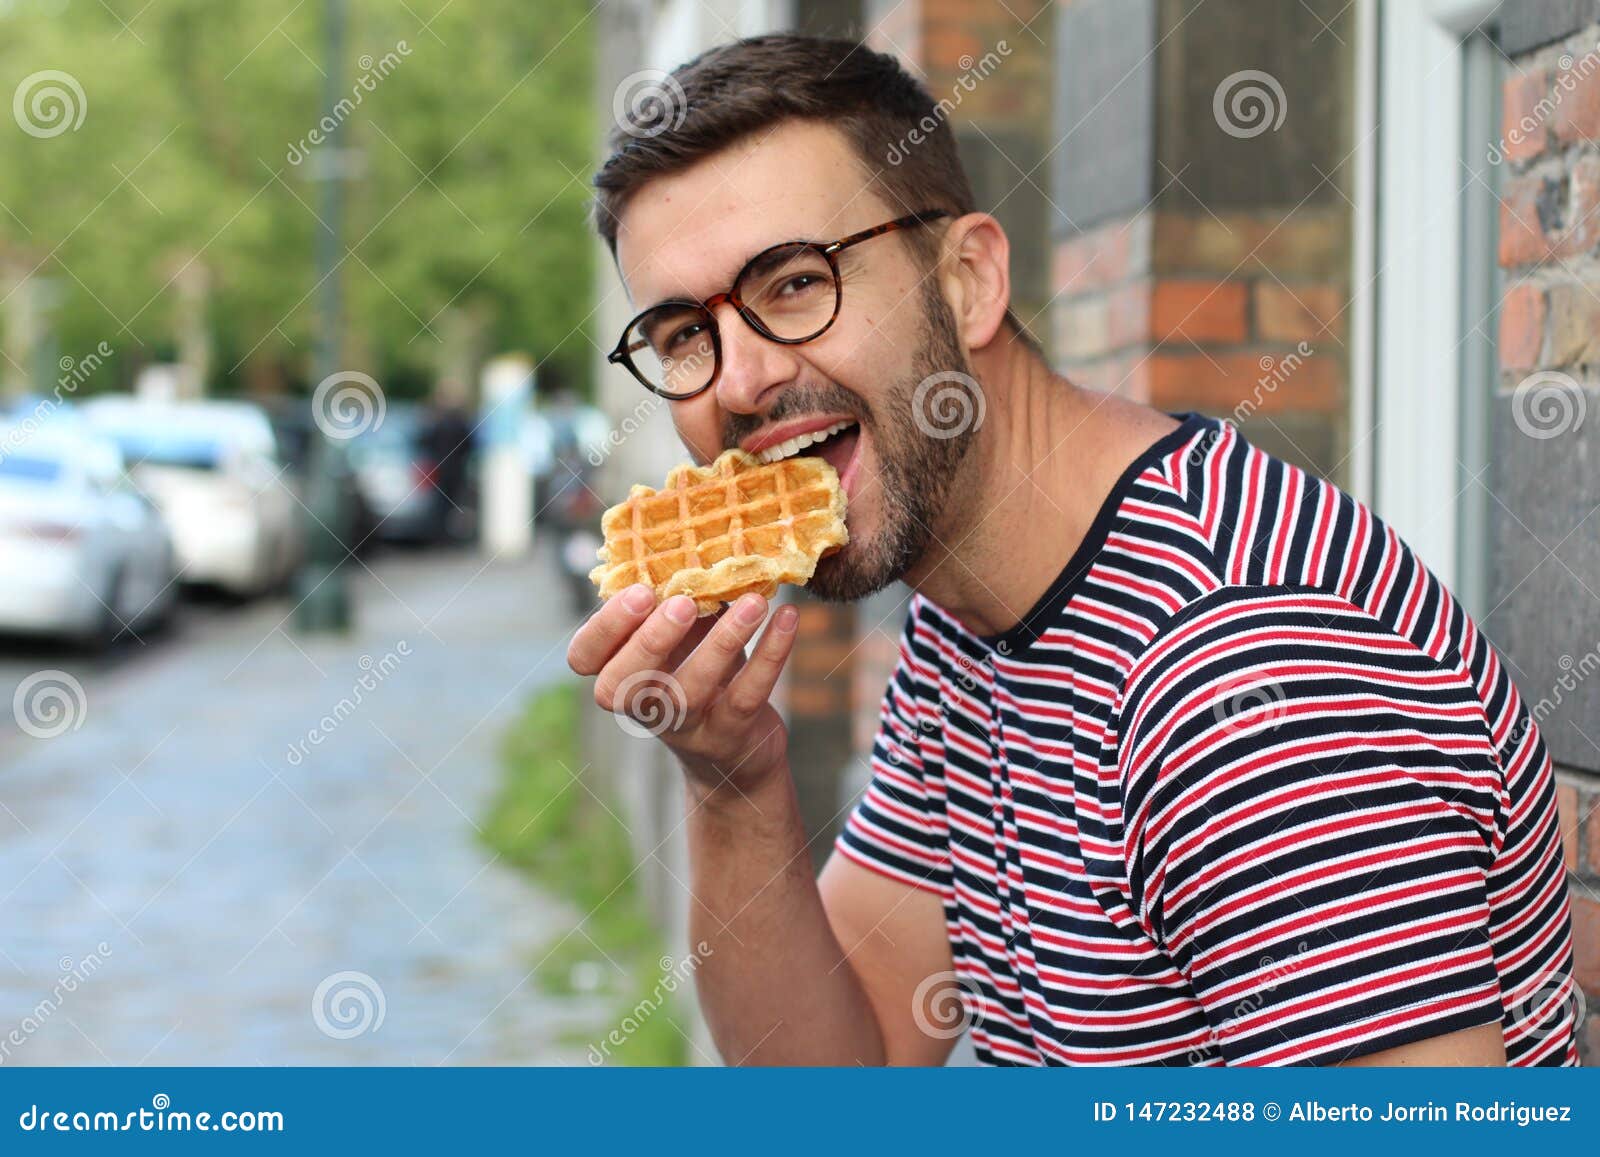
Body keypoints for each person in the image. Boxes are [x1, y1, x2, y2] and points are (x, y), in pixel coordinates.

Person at [568, 34, 1580, 1067]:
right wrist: (732, 783)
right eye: (684, 334)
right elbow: (843, 1079)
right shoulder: (969, 608)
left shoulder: (1245, 678)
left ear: (967, 280)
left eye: (792, 282)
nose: (737, 380)